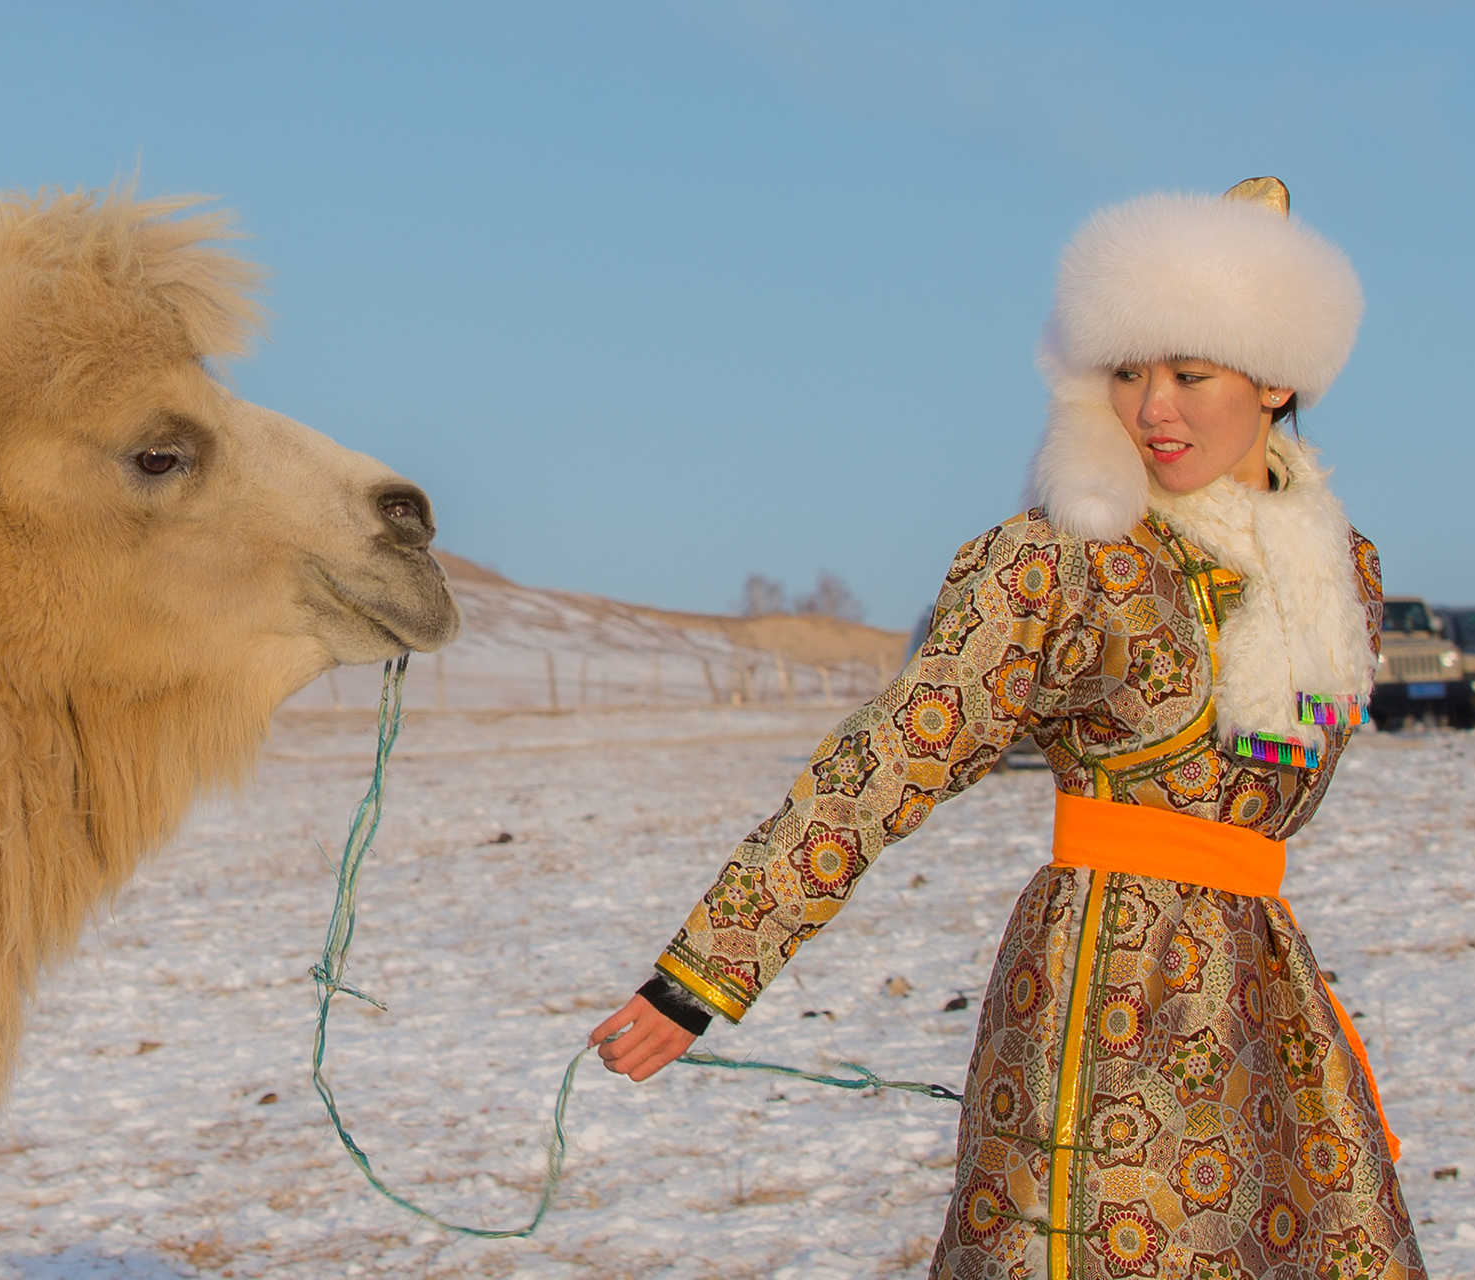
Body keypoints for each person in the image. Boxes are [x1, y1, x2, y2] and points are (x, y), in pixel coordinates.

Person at [590, 178, 1425, 1279]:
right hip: (1107, 1008)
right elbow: (883, 762)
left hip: (1267, 1008)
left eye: (1189, 372)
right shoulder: (1071, 561)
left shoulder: (1335, 574)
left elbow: (1271, 790)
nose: (1154, 410)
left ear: (1275, 379)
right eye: (1126, 372)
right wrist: (701, 976)